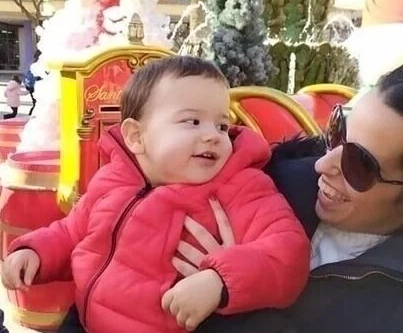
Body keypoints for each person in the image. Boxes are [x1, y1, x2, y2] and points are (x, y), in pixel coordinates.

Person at [1, 56, 309, 333]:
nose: (212, 136)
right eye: (192, 121)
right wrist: (36, 252)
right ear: (136, 136)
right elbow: (73, 232)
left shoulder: (242, 186)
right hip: (85, 321)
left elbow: (288, 252)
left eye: (222, 125)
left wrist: (219, 280)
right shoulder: (112, 179)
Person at [172, 64, 403, 333]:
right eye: (337, 130)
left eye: (359, 164)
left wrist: (233, 287)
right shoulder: (267, 180)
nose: (322, 164)